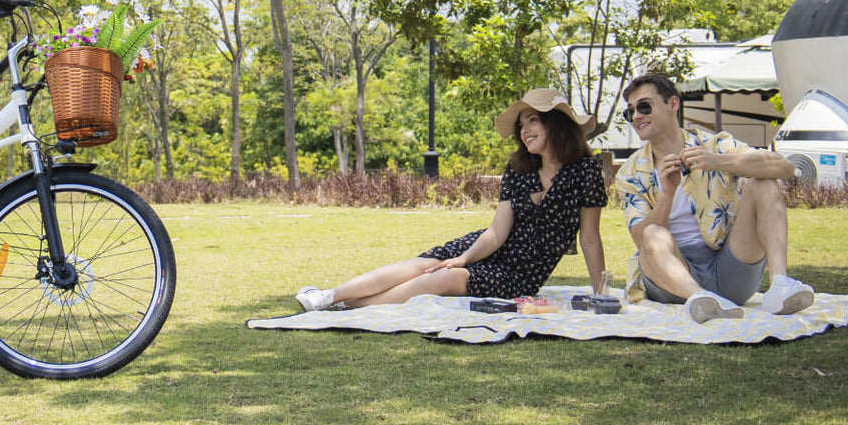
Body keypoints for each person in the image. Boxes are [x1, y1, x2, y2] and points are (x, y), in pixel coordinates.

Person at [295, 88, 608, 311]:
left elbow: (590, 239)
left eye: (532, 120)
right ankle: (328, 296)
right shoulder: (518, 169)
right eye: (521, 123)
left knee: (442, 278)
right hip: (485, 246)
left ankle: (348, 305)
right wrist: (466, 256)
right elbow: (497, 232)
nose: (524, 130)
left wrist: (600, 292)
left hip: (519, 275)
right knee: (425, 265)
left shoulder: (585, 171)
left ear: (556, 122)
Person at [614, 72, 815, 323]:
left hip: (729, 266)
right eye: (629, 111)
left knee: (762, 182)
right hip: (671, 278)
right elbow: (639, 239)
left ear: (673, 104)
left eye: (644, 106)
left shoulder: (712, 145)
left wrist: (719, 161)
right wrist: (668, 193)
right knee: (652, 233)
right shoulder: (630, 172)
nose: (635, 117)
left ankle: (780, 285)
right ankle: (701, 300)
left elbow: (783, 167)